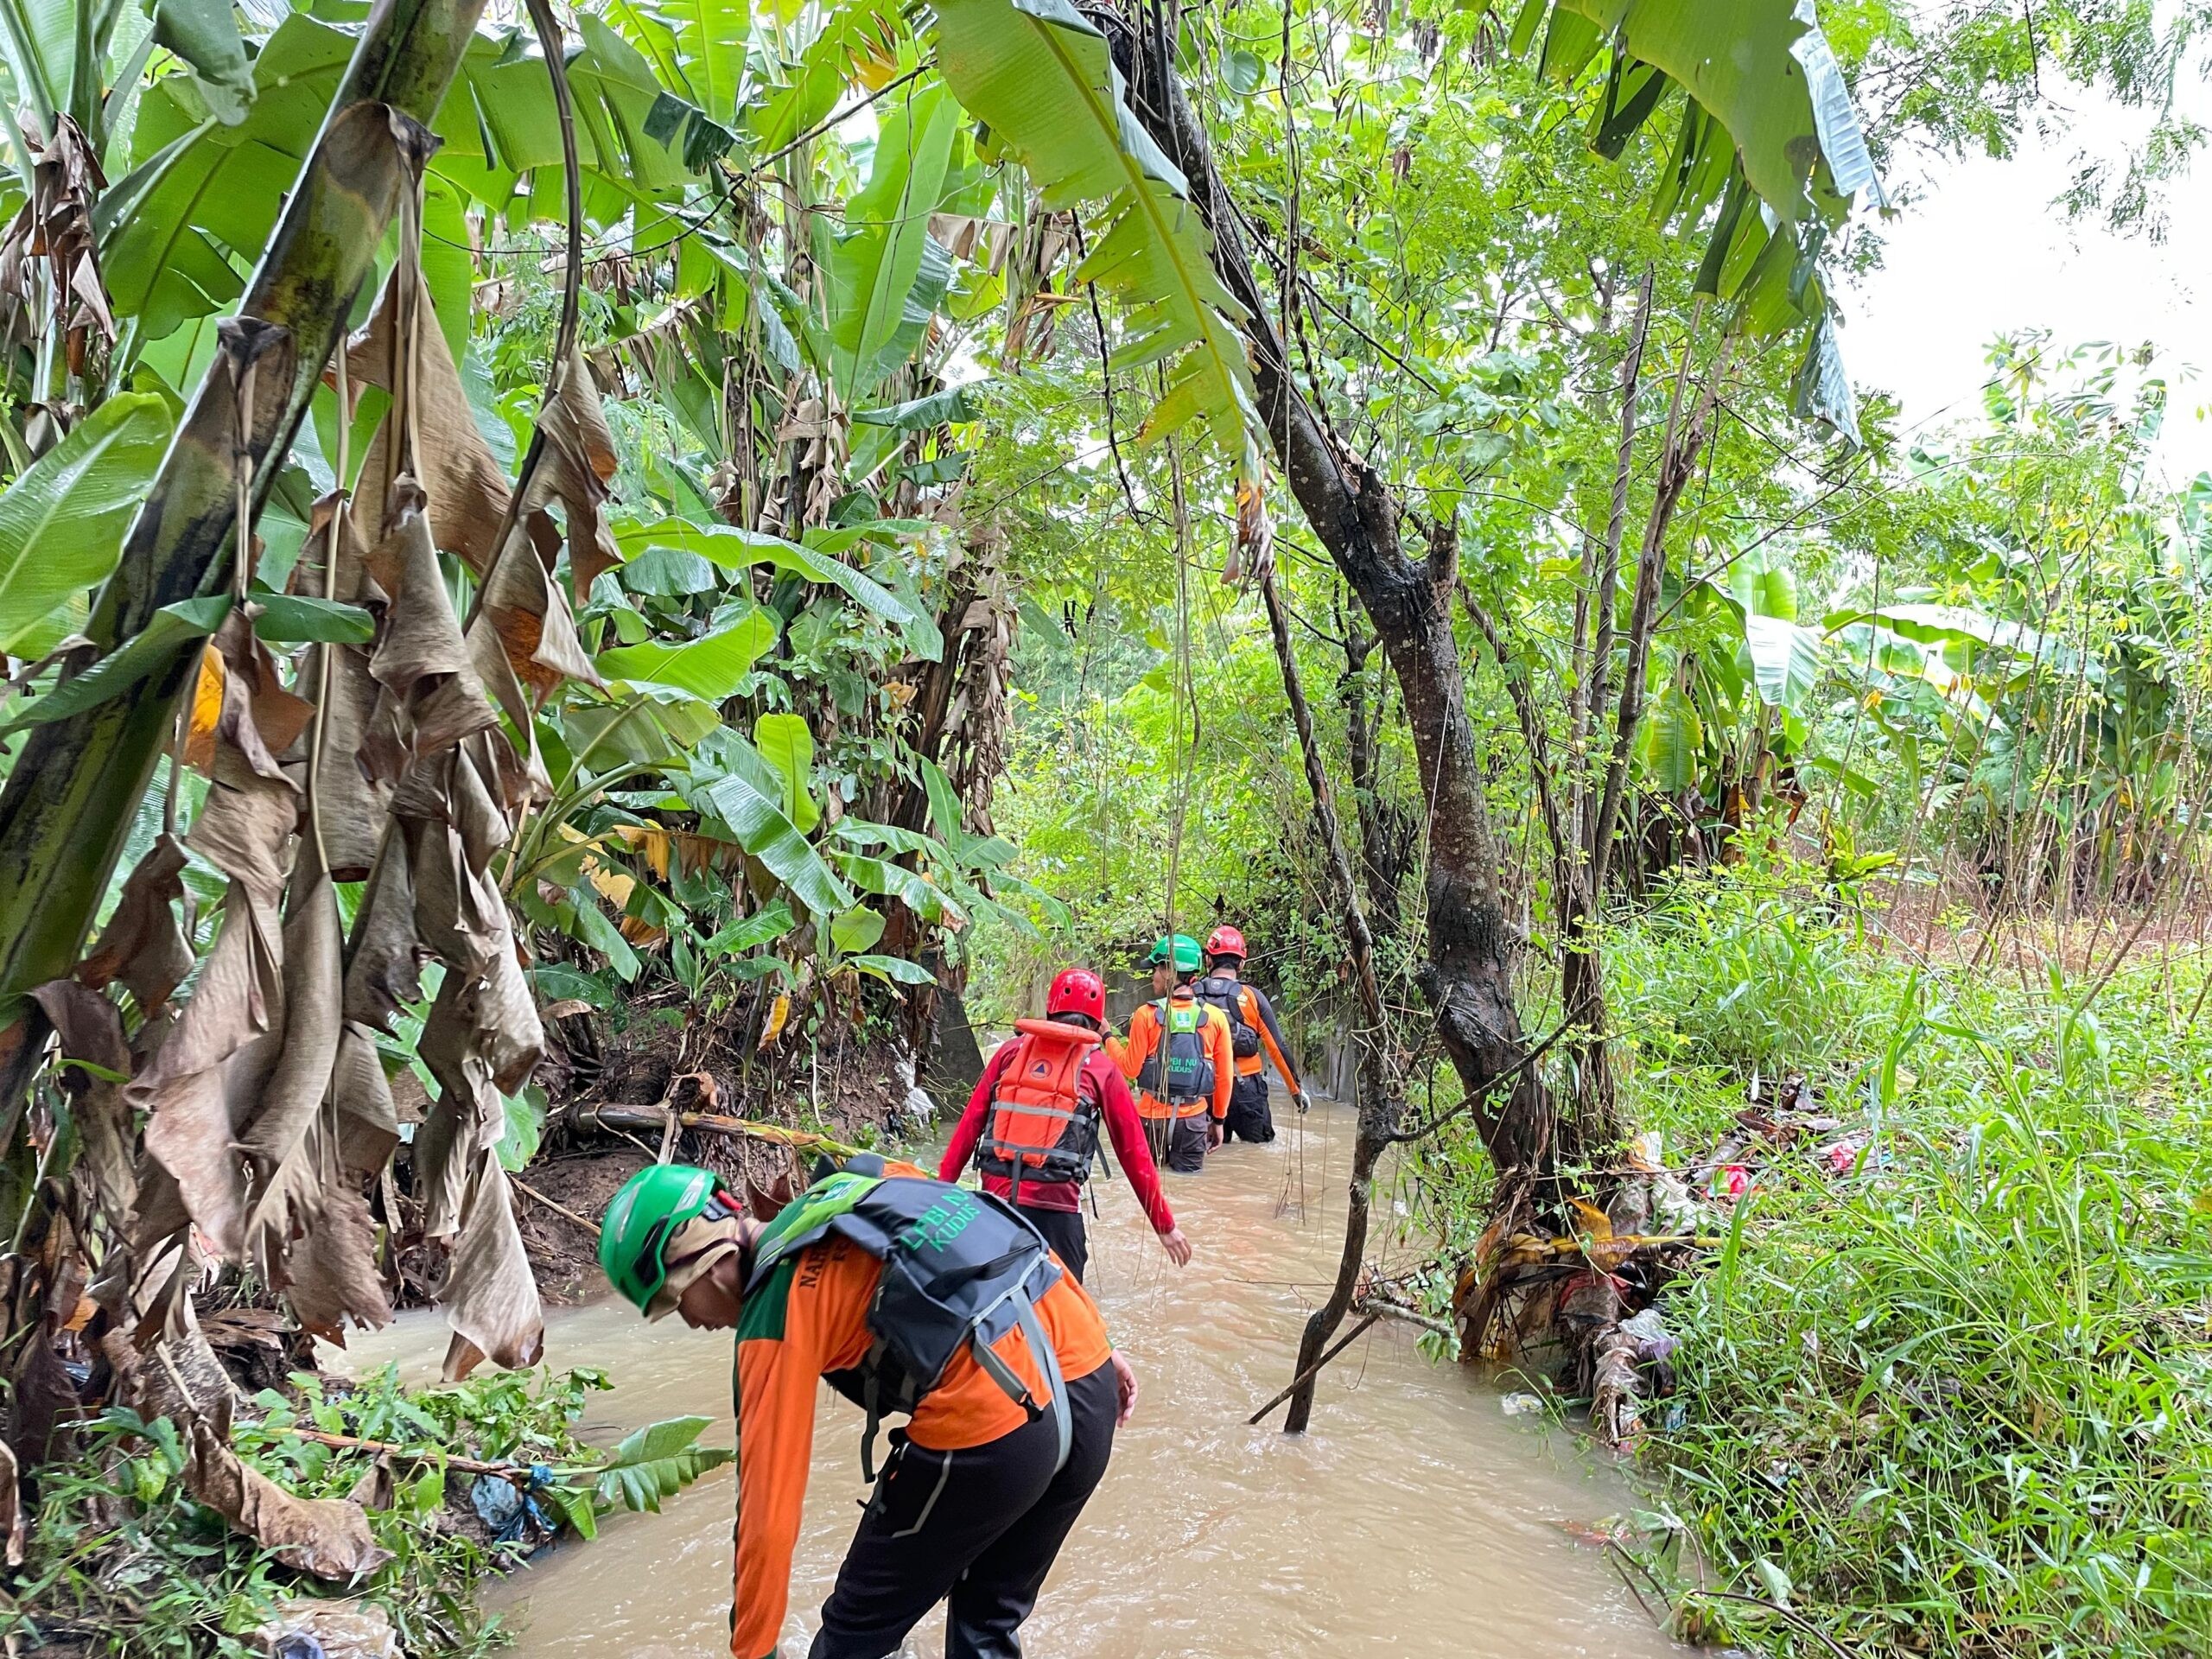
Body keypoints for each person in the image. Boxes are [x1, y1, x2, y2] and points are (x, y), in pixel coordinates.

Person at [598, 1156, 1138, 1659]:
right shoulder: (862, 1182)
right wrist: (1104, 1345)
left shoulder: (776, 1311)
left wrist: (752, 1651)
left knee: (853, 1636)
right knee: (986, 1622)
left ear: (704, 1261)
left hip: (994, 1433)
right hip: (1085, 1385)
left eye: (674, 1302)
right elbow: (990, 1227)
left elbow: (767, 1513)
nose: (692, 1323)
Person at [938, 967, 1192, 1284]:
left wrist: (940, 1192)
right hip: (1054, 1213)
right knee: (1066, 1316)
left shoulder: (1007, 1054)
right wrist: (1164, 1226)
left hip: (994, 1207)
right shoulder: (1101, 1069)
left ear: (1048, 1011)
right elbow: (1133, 1153)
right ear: (1099, 1023)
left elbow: (969, 1126)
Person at [1110, 932, 1233, 1174]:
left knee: (1147, 1188)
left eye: (1156, 969)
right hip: (1193, 1123)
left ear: (1169, 971)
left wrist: (1108, 1037)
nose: (1153, 976)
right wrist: (1218, 1121)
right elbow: (1224, 1079)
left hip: (1150, 1120)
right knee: (1187, 1189)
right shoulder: (1216, 1018)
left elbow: (1130, 1069)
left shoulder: (1145, 1015)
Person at [1192, 924, 1312, 1143]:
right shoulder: (1253, 997)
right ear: (1242, 963)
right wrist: (1296, 1090)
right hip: (1245, 1090)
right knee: (1261, 1149)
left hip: (1203, 1089)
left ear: (1208, 959)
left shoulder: (1190, 996)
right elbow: (1277, 1048)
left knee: (1211, 1154)